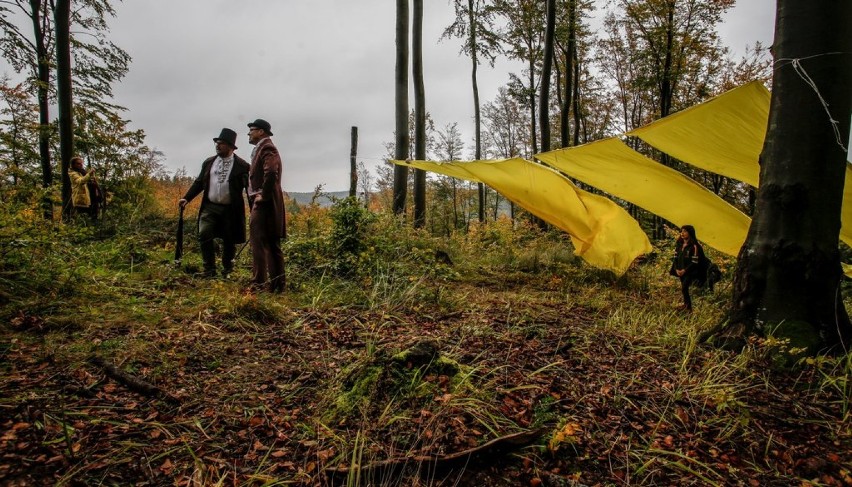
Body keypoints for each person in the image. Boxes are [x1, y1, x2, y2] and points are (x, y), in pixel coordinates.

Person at [179, 128, 250, 278]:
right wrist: (187, 198)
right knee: (204, 233)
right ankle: (209, 269)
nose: (218, 146)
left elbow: (248, 188)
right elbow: (199, 182)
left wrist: (254, 207)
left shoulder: (242, 166)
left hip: (231, 209)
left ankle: (227, 270)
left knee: (229, 240)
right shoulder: (209, 162)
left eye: (222, 143)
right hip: (210, 206)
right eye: (217, 143)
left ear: (231, 147)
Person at [246, 119, 285, 293]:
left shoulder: (267, 147)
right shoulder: (263, 148)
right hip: (267, 201)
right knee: (270, 242)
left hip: (264, 202)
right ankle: (276, 286)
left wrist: (263, 195)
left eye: (251, 130)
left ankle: (258, 284)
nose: (249, 133)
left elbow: (271, 172)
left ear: (261, 131)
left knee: (259, 242)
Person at [670, 224, 706, 311]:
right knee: (683, 288)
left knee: (684, 288)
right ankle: (686, 305)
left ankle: (688, 308)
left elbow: (695, 262)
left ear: (690, 233)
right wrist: (676, 269)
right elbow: (675, 258)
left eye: (685, 231)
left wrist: (685, 270)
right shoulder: (679, 245)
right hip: (680, 270)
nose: (682, 233)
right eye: (681, 231)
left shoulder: (695, 246)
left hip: (690, 272)